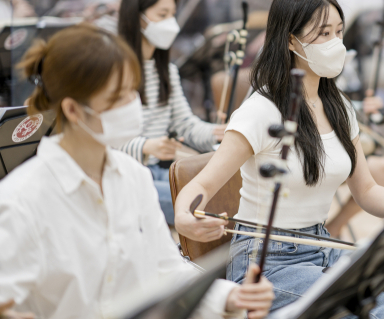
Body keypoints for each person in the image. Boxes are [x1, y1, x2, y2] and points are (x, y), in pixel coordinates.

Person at [173, 0, 384, 318]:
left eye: (338, 32)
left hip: (322, 247)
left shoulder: (340, 107)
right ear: (291, 41)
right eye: (322, 34)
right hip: (266, 262)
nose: (335, 43)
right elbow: (200, 186)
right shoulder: (261, 111)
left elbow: (366, 190)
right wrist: (185, 218)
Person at [0, 24, 274, 319]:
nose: (133, 105)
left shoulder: (134, 177)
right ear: (73, 110)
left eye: (133, 91)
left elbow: (166, 271)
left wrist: (230, 297)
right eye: (117, 98)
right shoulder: (22, 200)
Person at [118, 0, 226, 225]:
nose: (171, 24)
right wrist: (146, 146)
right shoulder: (114, 70)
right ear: (137, 17)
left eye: (172, 15)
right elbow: (102, 140)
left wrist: (219, 133)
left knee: (219, 191)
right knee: (203, 204)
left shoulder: (166, 70)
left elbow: (186, 126)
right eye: (162, 14)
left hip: (158, 174)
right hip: (125, 176)